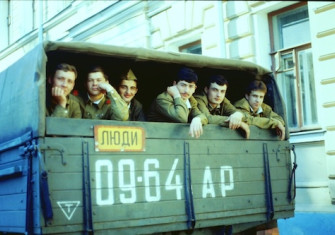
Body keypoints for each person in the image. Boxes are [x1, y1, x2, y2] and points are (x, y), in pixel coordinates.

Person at [147, 67, 207, 138]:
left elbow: (203, 116)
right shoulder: (163, 98)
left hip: (173, 138)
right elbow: (181, 118)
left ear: (194, 89)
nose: (186, 90)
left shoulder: (190, 100)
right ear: (175, 84)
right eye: (183, 85)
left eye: (191, 86)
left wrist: (197, 119)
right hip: (155, 137)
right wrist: (176, 95)